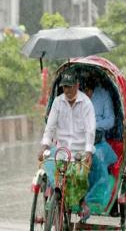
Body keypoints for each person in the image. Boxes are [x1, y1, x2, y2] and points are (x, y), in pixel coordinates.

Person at [38, 68, 96, 220]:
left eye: (70, 86)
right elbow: (50, 126)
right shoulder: (58, 102)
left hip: (80, 151)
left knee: (79, 176)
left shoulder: (86, 103)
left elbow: (90, 130)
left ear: (77, 85)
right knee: (51, 172)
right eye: (64, 87)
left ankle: (82, 202)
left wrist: (89, 151)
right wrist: (44, 145)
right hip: (61, 150)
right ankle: (56, 201)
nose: (67, 90)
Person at [84, 75, 118, 211]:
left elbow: (110, 120)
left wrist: (93, 125)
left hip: (98, 142)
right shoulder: (75, 96)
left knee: (96, 158)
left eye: (88, 90)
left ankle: (97, 199)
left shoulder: (103, 96)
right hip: (78, 140)